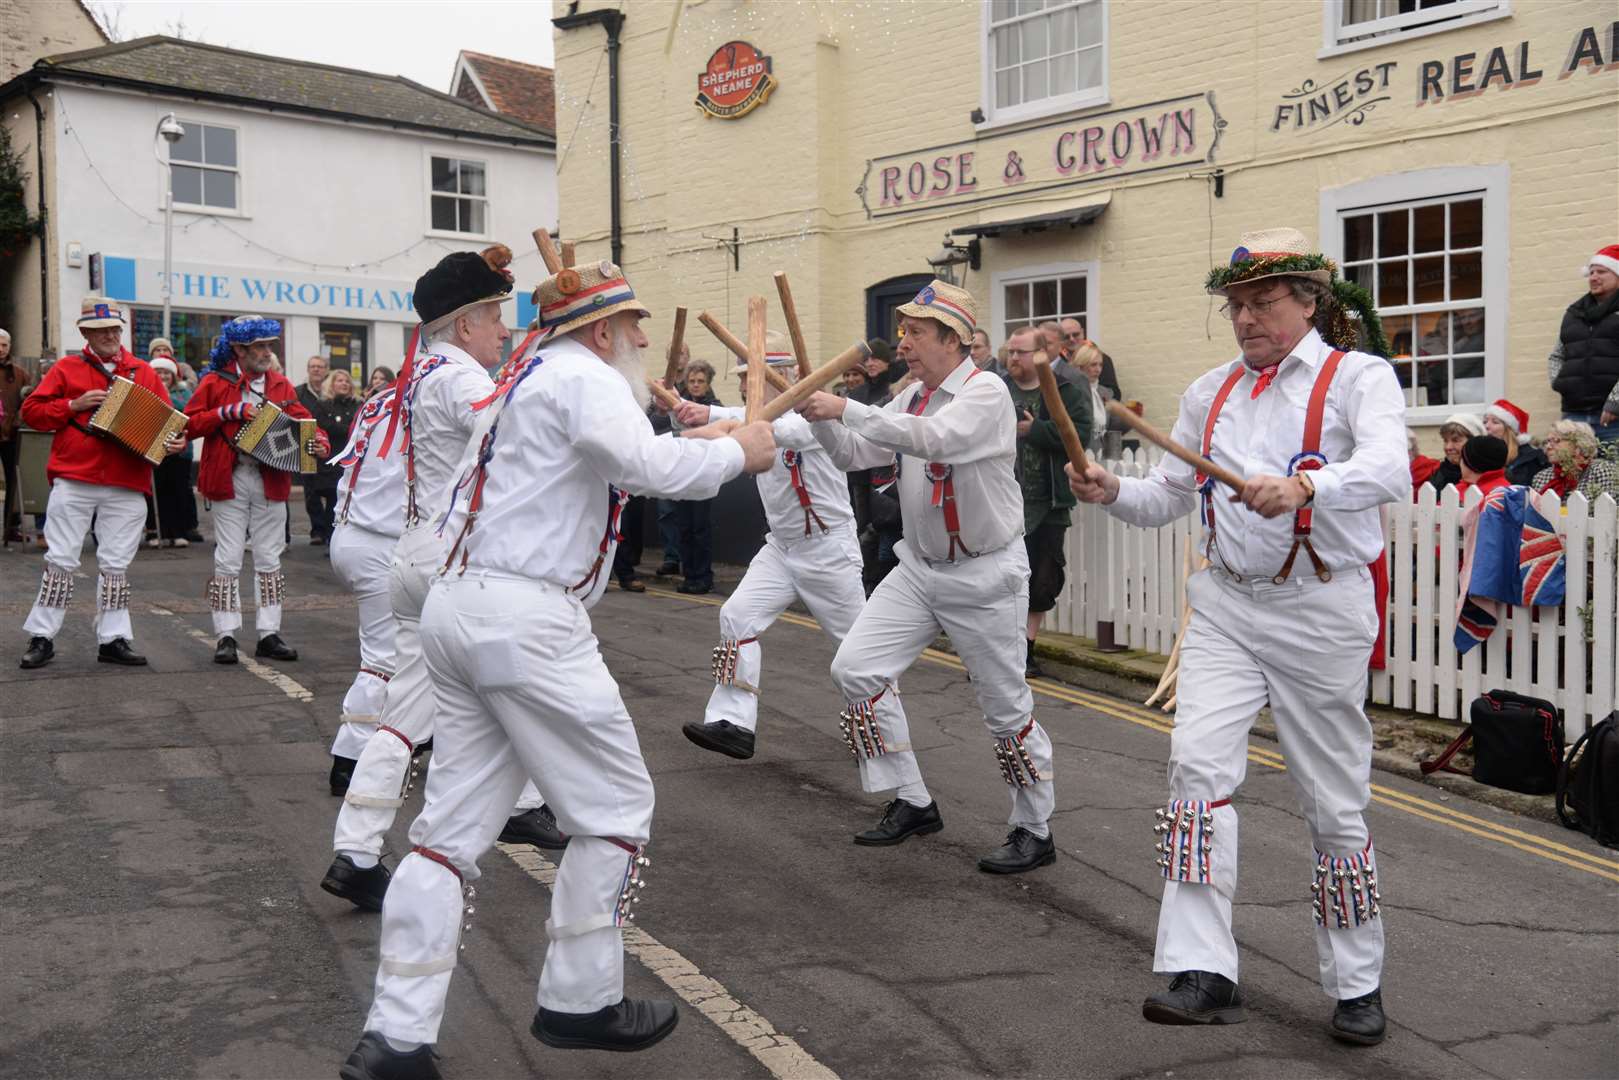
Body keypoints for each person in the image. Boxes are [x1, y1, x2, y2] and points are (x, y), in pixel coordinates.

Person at [339, 256, 777, 1078]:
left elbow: (606, 455)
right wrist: (736, 456)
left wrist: (706, 439)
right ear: (603, 328)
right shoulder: (584, 374)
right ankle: (580, 1000)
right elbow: (644, 470)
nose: (645, 336)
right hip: (527, 621)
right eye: (636, 323)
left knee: (445, 836)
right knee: (614, 810)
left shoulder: (524, 375)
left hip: (458, 608)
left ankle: (395, 1037)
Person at [1067, 227, 1406, 1044]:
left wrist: (1305, 486)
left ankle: (1356, 982)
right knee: (1193, 770)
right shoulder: (1209, 391)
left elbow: (1391, 468)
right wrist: (1112, 487)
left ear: (1308, 302)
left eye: (1262, 302)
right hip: (1223, 602)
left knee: (1332, 803)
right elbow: (1168, 500)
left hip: (1319, 608)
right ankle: (1202, 968)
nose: (1246, 318)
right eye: (1237, 306)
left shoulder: (1357, 378)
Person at [322, 247, 564, 913]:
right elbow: (520, 424)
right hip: (460, 561)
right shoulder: (458, 379)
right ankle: (536, 809)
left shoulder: (423, 373)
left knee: (402, 717)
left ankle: (357, 849)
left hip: (414, 557)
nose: (503, 331)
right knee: (527, 675)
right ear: (463, 327)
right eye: (494, 319)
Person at [798, 279, 1056, 875]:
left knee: (1005, 709)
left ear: (953, 339)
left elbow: (939, 440)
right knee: (855, 668)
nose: (904, 342)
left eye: (915, 332)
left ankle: (1033, 828)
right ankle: (911, 798)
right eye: (904, 330)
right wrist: (817, 415)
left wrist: (849, 408)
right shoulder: (911, 394)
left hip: (985, 575)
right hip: (918, 569)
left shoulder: (986, 391)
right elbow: (855, 454)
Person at [676, 331, 867, 760]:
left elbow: (754, 426)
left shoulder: (814, 420)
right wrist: (704, 412)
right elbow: (739, 414)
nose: (746, 385)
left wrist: (688, 438)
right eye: (744, 377)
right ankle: (733, 723)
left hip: (828, 551)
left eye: (756, 375)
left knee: (859, 657)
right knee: (736, 615)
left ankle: (885, 741)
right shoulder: (754, 411)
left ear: (786, 376)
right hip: (782, 549)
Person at [18, 296, 187, 669]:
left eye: (113, 328)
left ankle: (113, 638)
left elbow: (169, 425)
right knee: (60, 559)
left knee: (115, 566)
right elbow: (30, 412)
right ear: (85, 333)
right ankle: (42, 635)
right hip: (75, 477)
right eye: (100, 330)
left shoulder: (142, 371)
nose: (109, 335)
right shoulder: (66, 368)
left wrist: (177, 442)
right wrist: (71, 406)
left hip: (127, 482)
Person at [184, 316, 328, 665]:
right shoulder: (215, 382)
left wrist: (318, 441)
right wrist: (230, 411)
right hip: (228, 477)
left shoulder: (279, 384)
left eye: (269, 346)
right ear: (239, 348)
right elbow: (188, 423)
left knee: (269, 559)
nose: (267, 352)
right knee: (228, 559)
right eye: (260, 346)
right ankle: (226, 635)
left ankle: (269, 633)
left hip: (271, 479)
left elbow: (303, 421)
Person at [322, 382, 407, 800]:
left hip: (355, 533)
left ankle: (415, 737)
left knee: (419, 647)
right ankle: (350, 759)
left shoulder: (384, 397)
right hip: (378, 541)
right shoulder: (428, 400)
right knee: (383, 657)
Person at [1003, 326, 1093, 679]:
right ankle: (1002, 652)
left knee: (1042, 579)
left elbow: (1081, 434)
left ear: (1040, 355)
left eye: (1020, 352)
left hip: (1050, 501)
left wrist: (1033, 431)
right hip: (1003, 504)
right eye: (1010, 351)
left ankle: (1025, 651)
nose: (1012, 358)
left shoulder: (1065, 389)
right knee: (1003, 581)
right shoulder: (998, 389)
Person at [1548, 244, 1619, 441]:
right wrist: (1560, 383)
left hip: (1613, 420)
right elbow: (1556, 355)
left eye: (1601, 272)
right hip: (1574, 415)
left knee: (1613, 472)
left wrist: (1615, 403)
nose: (1593, 277)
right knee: (1572, 472)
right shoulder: (1574, 313)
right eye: (1591, 272)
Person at [673, 359, 722, 594]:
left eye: (700, 381)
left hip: (704, 473)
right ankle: (689, 575)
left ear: (708, 383)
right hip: (683, 472)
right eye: (691, 381)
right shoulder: (679, 405)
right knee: (684, 527)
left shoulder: (715, 408)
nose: (695, 385)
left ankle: (703, 577)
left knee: (700, 528)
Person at [148, 357, 198, 546]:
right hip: (154, 447)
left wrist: (165, 399)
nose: (162, 376)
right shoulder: (147, 389)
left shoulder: (183, 391)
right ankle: (156, 532)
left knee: (177, 491)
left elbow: (187, 412)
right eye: (158, 373)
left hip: (178, 449)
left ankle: (179, 532)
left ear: (173, 375)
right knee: (157, 491)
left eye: (166, 373)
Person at [307, 368, 359, 547]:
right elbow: (325, 427)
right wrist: (347, 429)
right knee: (333, 500)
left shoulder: (357, 405)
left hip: (351, 461)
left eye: (346, 381)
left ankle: (346, 538)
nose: (344, 383)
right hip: (330, 461)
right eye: (339, 380)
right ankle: (331, 538)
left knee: (350, 500)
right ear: (331, 384)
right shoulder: (322, 405)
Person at [1531, 419, 1619, 503]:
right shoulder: (1541, 477)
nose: (1548, 447)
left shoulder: (1602, 471)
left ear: (1578, 444)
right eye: (1547, 442)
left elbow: (1607, 511)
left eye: (1556, 441)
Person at [297, 355, 332, 544]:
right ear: (308, 369)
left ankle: (329, 528)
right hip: (306, 444)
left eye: (320, 366)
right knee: (310, 490)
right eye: (313, 366)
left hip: (330, 444)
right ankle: (317, 530)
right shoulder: (299, 393)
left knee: (332, 490)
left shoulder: (331, 390)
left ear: (326, 369)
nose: (316, 370)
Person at [1481, 398, 1549, 488]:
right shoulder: (1483, 455)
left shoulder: (1530, 458)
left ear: (1510, 430)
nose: (1487, 426)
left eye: (1495, 422)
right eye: (1485, 422)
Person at [1, 327, 27, 542]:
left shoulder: (20, 374)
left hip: (11, 435)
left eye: (4, 345)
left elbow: (29, 402)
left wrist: (18, 419)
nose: (1, 349)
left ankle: (11, 527)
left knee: (13, 482)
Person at [1073, 341, 1111, 456]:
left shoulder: (1105, 392)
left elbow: (1108, 426)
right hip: (1081, 452)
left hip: (1102, 452)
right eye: (1093, 365)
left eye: (1100, 365)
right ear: (1081, 366)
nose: (1098, 369)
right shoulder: (1074, 391)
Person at [1429, 413, 1482, 492]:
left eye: (1455, 440)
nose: (1448, 447)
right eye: (1445, 441)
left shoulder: (1484, 475)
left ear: (1473, 442)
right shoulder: (1440, 473)